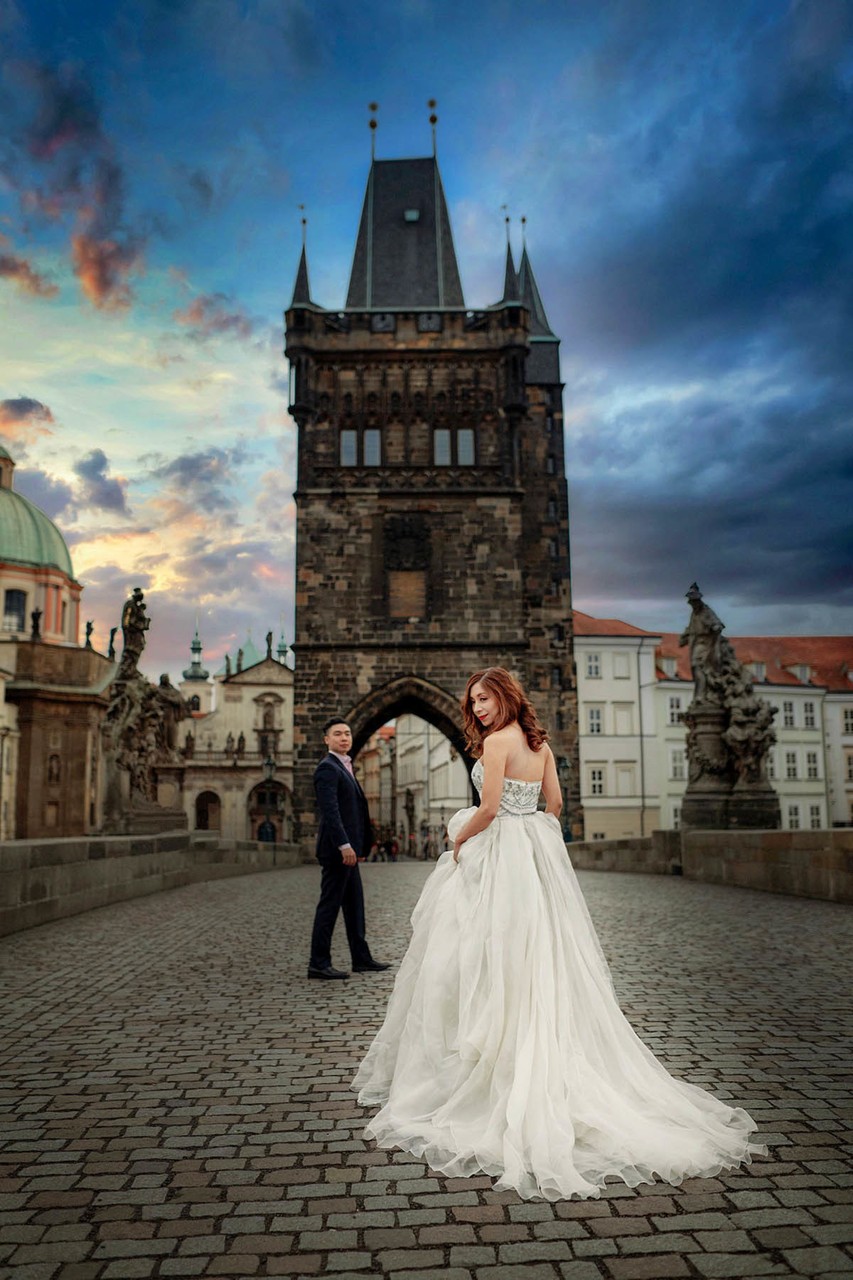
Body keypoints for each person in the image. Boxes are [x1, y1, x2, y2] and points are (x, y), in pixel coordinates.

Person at [352, 667, 768, 1201]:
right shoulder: (538, 745)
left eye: (484, 698)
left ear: (504, 697)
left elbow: (490, 807)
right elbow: (556, 806)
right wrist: (534, 838)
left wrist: (459, 840)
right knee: (539, 950)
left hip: (502, 856)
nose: (477, 708)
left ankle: (489, 1050)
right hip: (537, 857)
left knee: (487, 951)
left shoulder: (499, 743)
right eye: (472, 701)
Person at [308, 717, 390, 981]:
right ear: (327, 740)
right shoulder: (327, 768)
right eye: (337, 734)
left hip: (350, 850)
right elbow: (331, 812)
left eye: (347, 733)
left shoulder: (345, 766)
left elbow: (355, 811)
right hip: (336, 851)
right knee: (329, 907)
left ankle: (361, 958)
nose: (344, 738)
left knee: (355, 906)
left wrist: (360, 845)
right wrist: (344, 845)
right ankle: (318, 963)